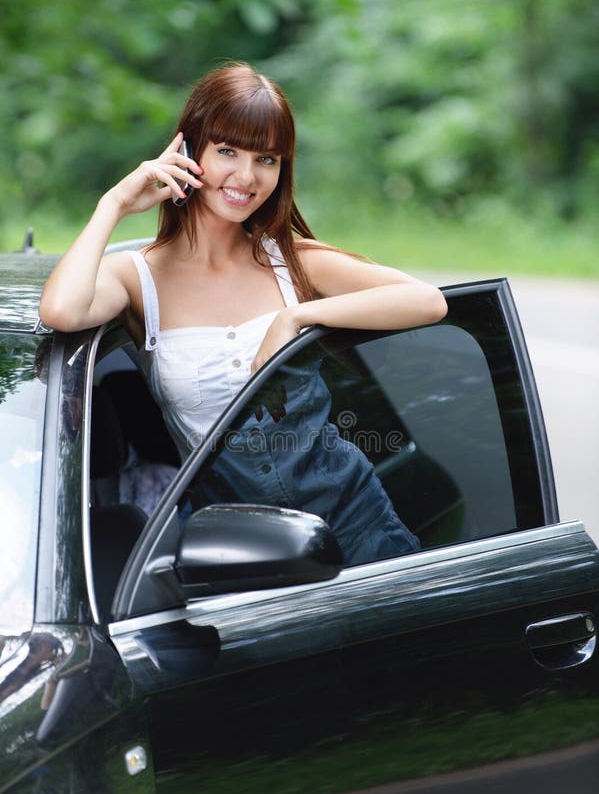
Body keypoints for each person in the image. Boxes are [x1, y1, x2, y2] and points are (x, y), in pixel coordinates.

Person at [40, 61, 448, 565]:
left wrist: (293, 319)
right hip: (235, 550)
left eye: (267, 159)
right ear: (189, 151)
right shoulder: (136, 278)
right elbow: (61, 310)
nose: (246, 176)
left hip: (359, 524)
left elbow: (429, 301)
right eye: (228, 151)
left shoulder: (292, 263)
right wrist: (115, 202)